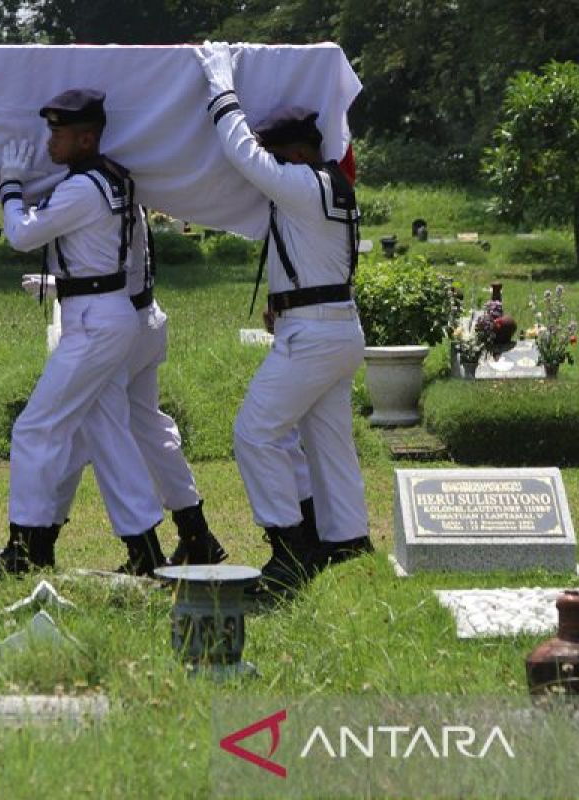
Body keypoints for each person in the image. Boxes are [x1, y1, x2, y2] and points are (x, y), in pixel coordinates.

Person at [194, 47, 373, 598]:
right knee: (328, 444)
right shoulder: (333, 189)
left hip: (315, 335)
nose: (270, 167)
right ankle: (345, 543)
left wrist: (221, 83)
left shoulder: (304, 183)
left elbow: (243, 154)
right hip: (333, 326)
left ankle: (289, 549)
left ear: (296, 152)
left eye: (278, 156)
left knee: (254, 432)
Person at [0, 88, 167, 577]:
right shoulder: (110, 176)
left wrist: (11, 186)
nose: (50, 142)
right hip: (105, 311)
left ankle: (26, 546)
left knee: (36, 427)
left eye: (59, 133)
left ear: (87, 138)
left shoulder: (81, 188)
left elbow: (21, 236)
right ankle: (146, 550)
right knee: (107, 434)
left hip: (93, 321)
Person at [43, 202, 228, 566]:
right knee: (149, 427)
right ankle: (196, 533)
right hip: (144, 317)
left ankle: (41, 538)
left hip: (118, 326)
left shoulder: (96, 189)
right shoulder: (125, 188)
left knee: (85, 430)